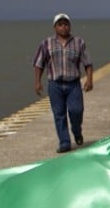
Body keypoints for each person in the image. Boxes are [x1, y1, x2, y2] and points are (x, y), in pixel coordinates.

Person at [33, 13, 94, 153]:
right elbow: (38, 64)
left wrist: (89, 80)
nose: (63, 27)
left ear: (70, 26)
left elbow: (88, 63)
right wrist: (37, 82)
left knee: (76, 111)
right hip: (55, 85)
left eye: (66, 24)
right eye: (60, 24)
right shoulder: (46, 43)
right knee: (59, 114)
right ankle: (64, 142)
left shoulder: (79, 42)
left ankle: (77, 131)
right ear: (55, 27)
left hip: (73, 84)